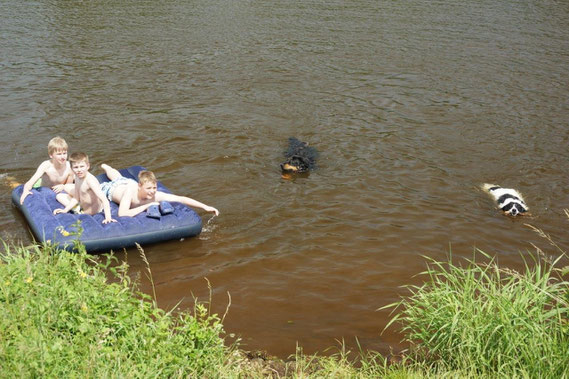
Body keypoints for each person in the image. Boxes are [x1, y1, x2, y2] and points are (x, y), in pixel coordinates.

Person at [100, 164, 219, 218]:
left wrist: (205, 207)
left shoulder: (155, 195)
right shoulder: (129, 194)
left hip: (128, 182)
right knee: (116, 178)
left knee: (121, 178)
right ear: (140, 186)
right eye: (148, 188)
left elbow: (180, 198)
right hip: (114, 189)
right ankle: (106, 167)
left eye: (154, 188)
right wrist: (148, 206)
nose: (152, 192)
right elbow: (122, 213)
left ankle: (109, 168)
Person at [53, 153, 116, 224]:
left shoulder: (90, 181)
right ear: (71, 168)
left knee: (60, 196)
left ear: (88, 166)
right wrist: (65, 210)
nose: (79, 170)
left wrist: (108, 218)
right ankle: (76, 206)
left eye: (82, 166)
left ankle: (77, 210)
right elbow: (76, 197)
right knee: (60, 194)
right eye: (76, 167)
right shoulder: (77, 176)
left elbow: (104, 200)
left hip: (89, 211)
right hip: (83, 201)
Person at [19, 136, 74, 204]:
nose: (63, 157)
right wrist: (25, 191)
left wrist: (63, 186)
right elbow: (30, 182)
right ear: (51, 155)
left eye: (64, 153)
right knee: (19, 185)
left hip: (59, 191)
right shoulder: (46, 166)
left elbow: (69, 185)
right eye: (59, 154)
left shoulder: (69, 167)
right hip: (42, 187)